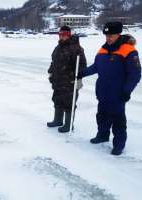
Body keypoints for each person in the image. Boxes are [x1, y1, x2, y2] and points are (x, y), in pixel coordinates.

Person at [78, 22, 141, 155]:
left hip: (118, 93)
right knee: (102, 116)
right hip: (103, 91)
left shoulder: (129, 50)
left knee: (118, 120)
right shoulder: (103, 49)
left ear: (118, 34)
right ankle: (102, 135)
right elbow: (96, 67)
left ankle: (119, 145)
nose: (108, 38)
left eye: (111, 35)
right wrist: (82, 72)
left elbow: (135, 74)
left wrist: (126, 91)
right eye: (106, 35)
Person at [47, 26, 87, 133]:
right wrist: (51, 71)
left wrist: (76, 76)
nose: (61, 37)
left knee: (69, 102)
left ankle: (69, 125)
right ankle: (58, 120)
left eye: (64, 35)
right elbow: (54, 61)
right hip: (58, 80)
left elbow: (82, 65)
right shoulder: (58, 47)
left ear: (68, 35)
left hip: (70, 81)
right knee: (57, 99)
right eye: (60, 35)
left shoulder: (76, 48)